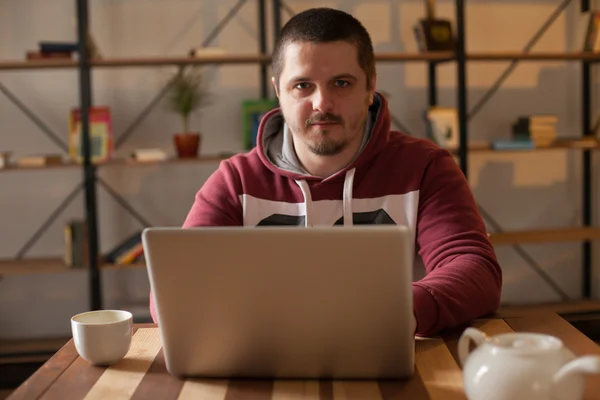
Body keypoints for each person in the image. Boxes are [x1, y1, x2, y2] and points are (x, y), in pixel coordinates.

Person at [149, 7, 502, 337]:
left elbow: (474, 268)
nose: (322, 103)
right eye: (303, 85)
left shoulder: (425, 167)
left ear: (370, 87)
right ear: (278, 91)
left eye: (342, 83)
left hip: (390, 353)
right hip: (265, 360)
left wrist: (395, 310)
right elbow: (174, 288)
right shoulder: (235, 181)